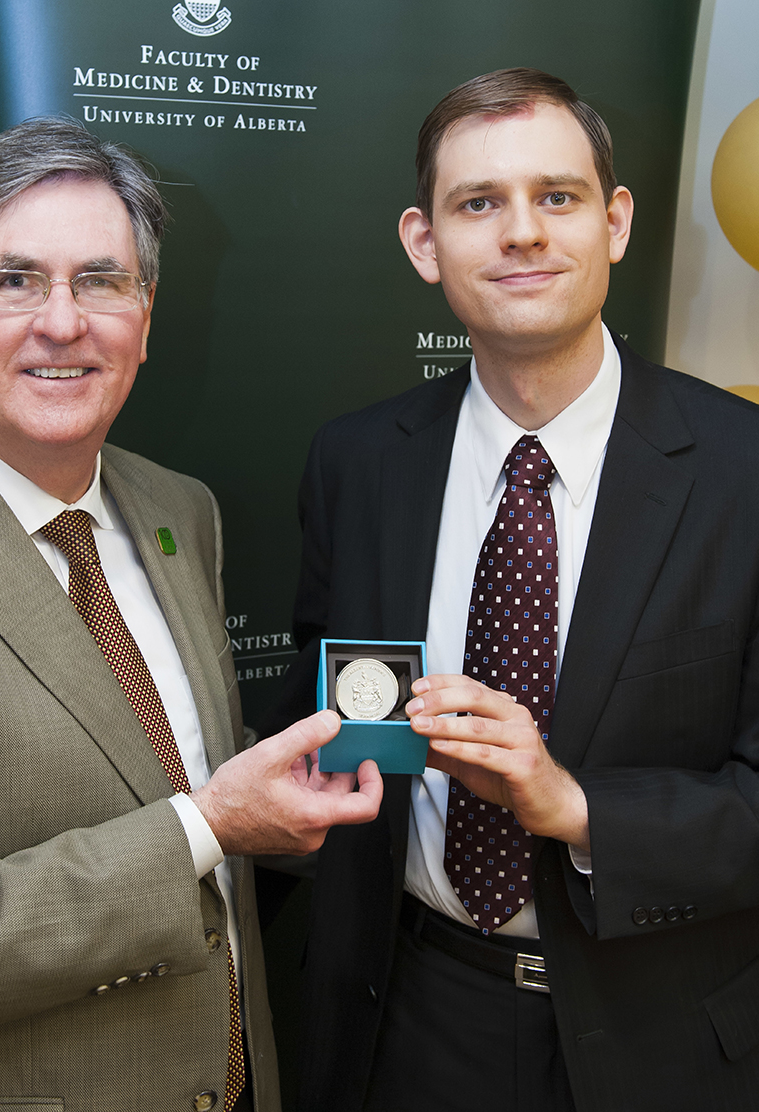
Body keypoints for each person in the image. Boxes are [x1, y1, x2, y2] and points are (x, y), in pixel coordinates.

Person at [0, 118, 382, 1112]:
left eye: (101, 281)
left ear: (144, 317)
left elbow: (155, 765)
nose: (63, 322)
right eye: (16, 279)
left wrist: (269, 802)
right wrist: (208, 823)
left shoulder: (180, 511)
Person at [273, 68, 759, 1111]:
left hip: (661, 1043)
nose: (523, 232)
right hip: (404, 1019)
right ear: (424, 243)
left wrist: (571, 806)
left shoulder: (744, 472)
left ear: (614, 223)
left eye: (557, 196)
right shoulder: (356, 463)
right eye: (478, 203)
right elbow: (329, 704)